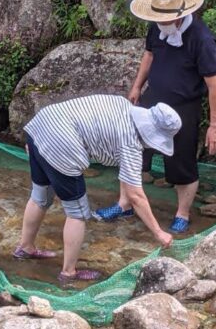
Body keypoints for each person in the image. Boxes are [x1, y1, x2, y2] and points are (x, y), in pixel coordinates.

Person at [13, 94, 182, 283]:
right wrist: (159, 232)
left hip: (42, 124)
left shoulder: (123, 104)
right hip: (62, 141)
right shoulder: (130, 141)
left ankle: (25, 248)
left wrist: (38, 143)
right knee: (77, 213)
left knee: (40, 196)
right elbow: (136, 196)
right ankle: (68, 273)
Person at [96, 0, 216, 234]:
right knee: (131, 149)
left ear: (181, 15)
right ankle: (125, 204)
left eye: (165, 19)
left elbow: (214, 84)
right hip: (152, 99)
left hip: (184, 107)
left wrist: (215, 125)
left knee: (181, 161)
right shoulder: (156, 28)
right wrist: (136, 87)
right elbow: (149, 55)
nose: (160, 23)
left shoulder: (202, 38)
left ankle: (182, 213)